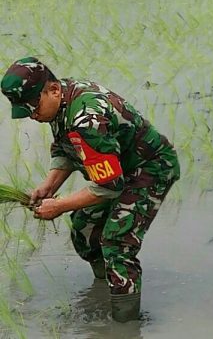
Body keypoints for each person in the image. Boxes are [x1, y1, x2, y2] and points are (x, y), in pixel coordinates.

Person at [1, 57, 180, 323]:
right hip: (116, 171)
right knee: (84, 229)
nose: (33, 115)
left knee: (117, 243)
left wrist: (59, 206)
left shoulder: (86, 119)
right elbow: (65, 149)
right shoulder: (61, 102)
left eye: (34, 107)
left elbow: (109, 186)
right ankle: (108, 285)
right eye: (26, 111)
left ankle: (125, 324)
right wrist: (48, 186)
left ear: (52, 89)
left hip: (149, 169)